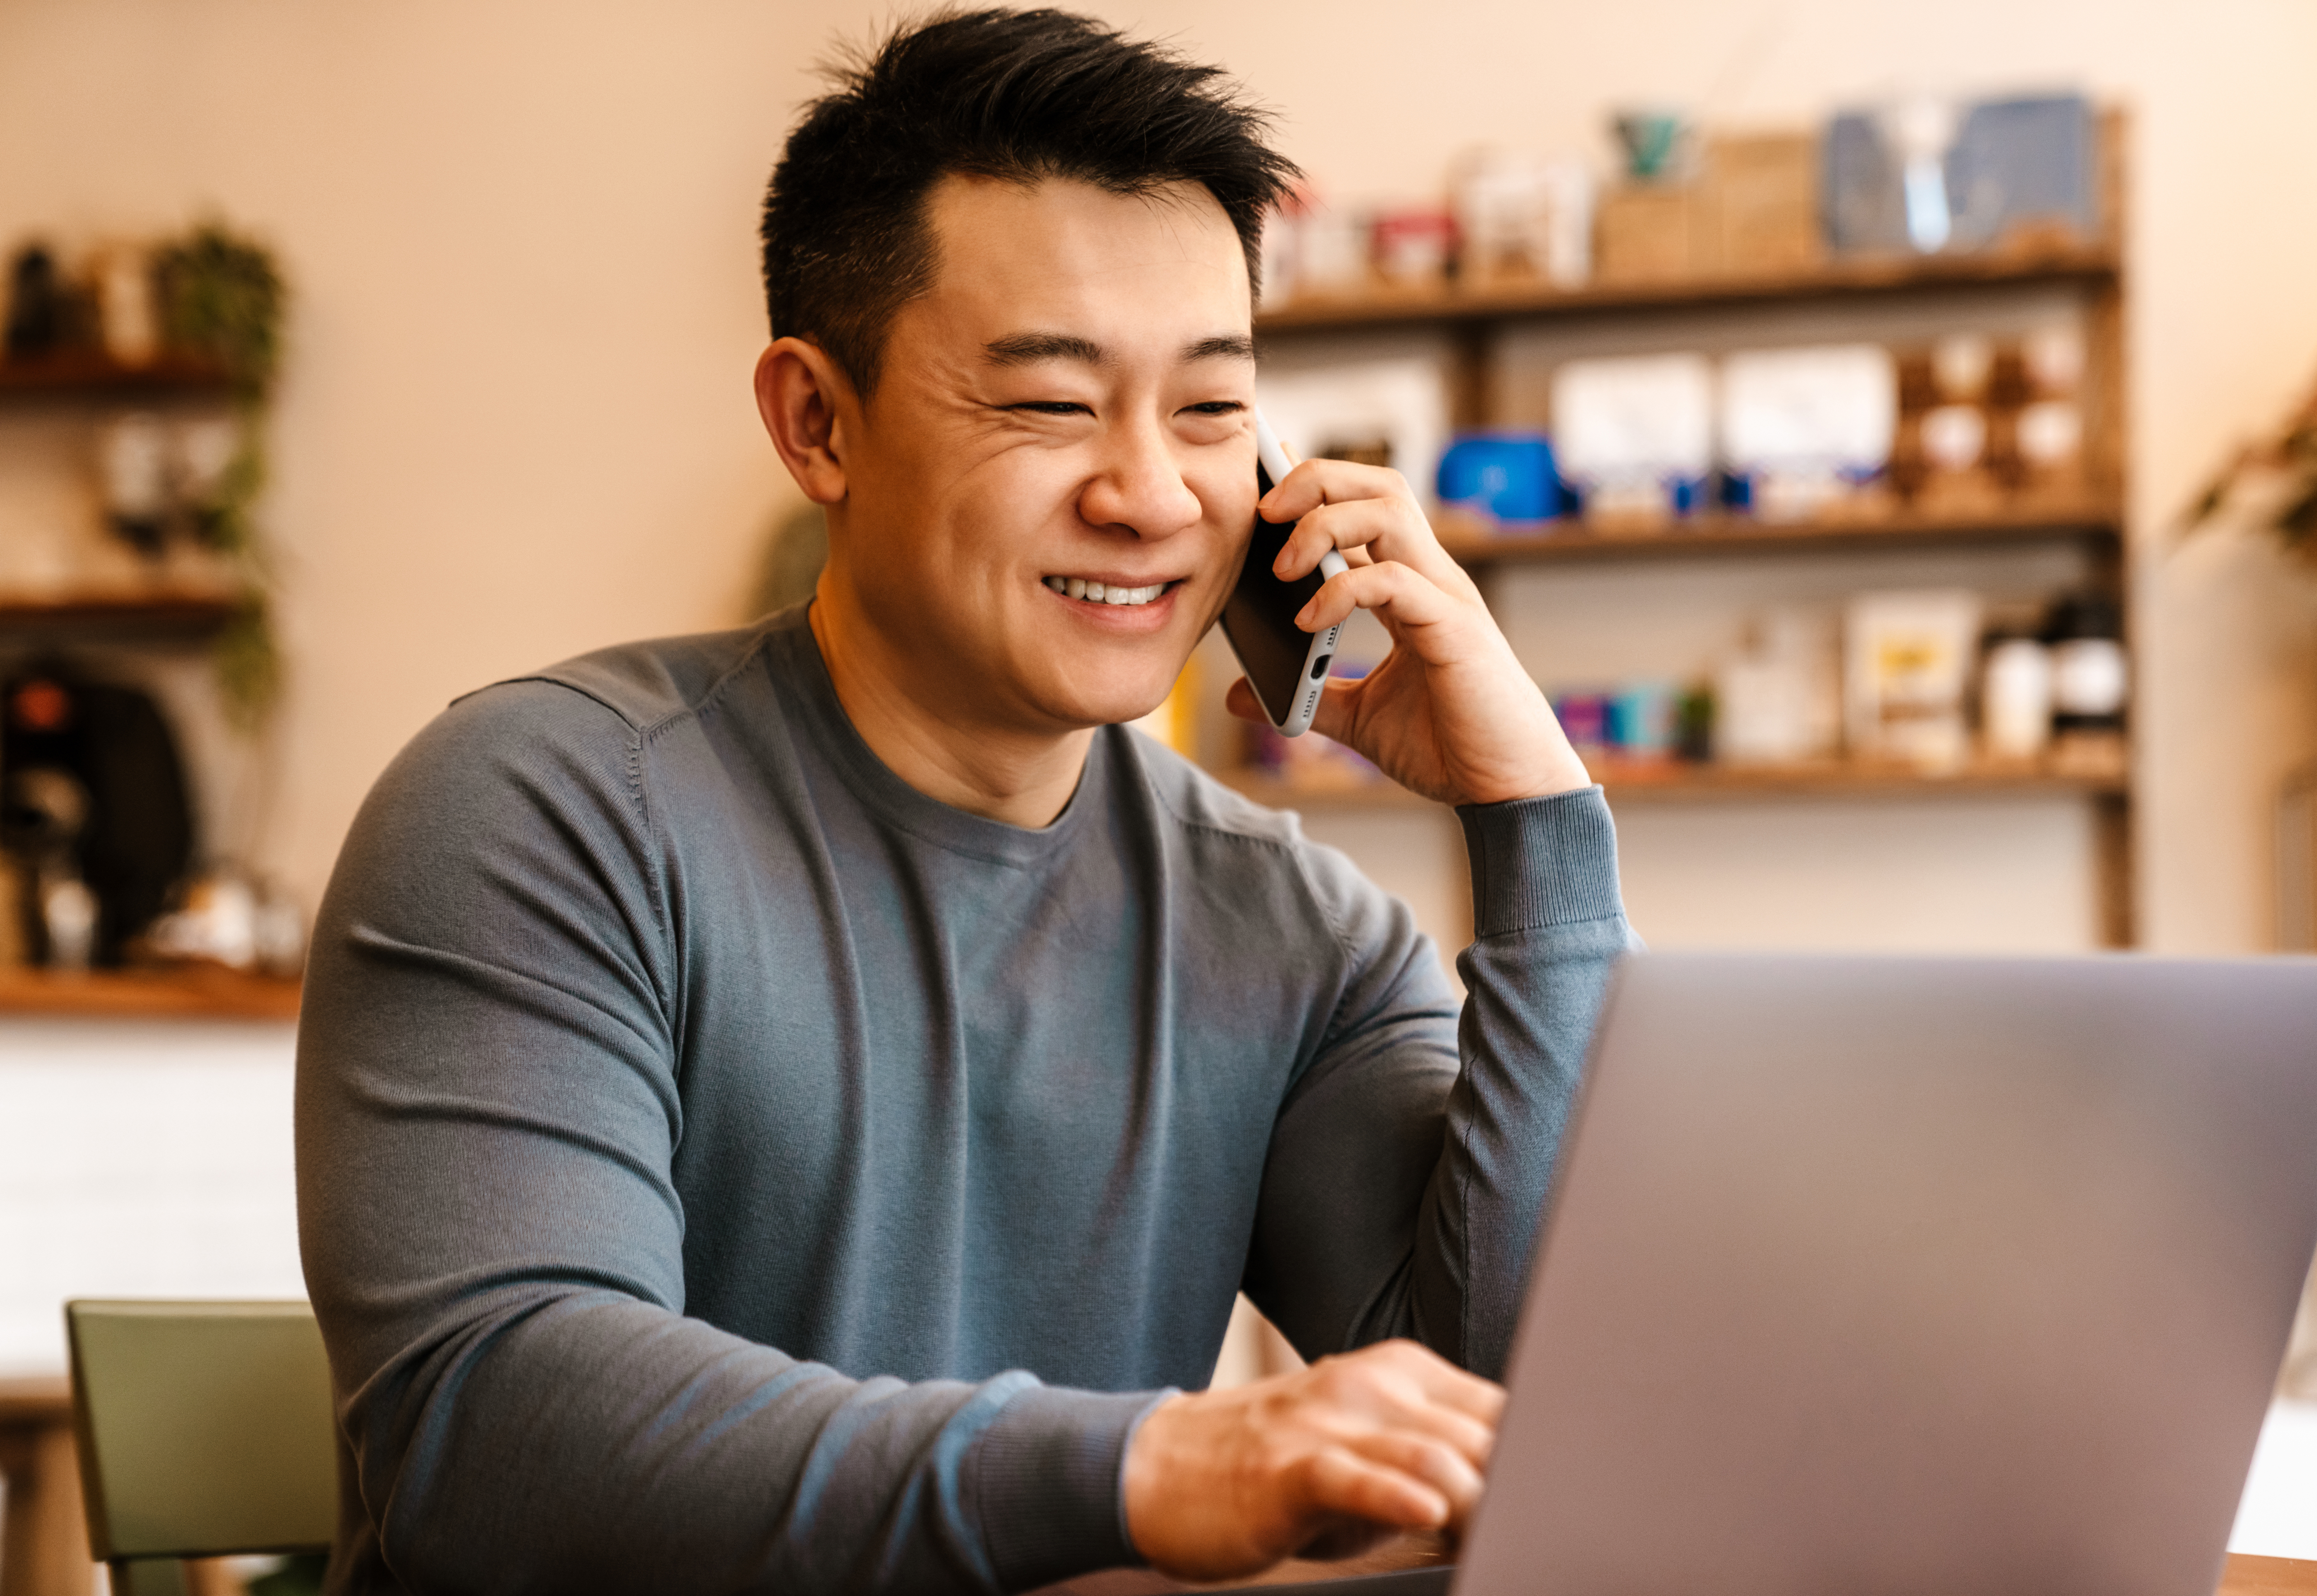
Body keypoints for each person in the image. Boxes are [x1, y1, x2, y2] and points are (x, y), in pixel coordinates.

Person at [295, 10, 1637, 1593]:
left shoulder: (1296, 934)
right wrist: (1148, 1465)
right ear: (818, 422)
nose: (1150, 495)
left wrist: (1537, 823)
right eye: (1052, 404)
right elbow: (494, 1430)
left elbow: (1517, 1425)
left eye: (1211, 409)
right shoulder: (543, 810)